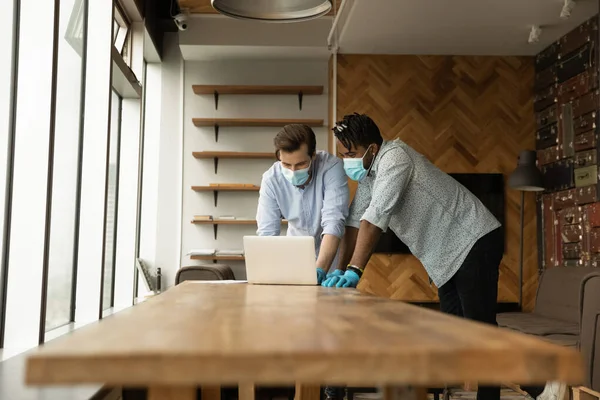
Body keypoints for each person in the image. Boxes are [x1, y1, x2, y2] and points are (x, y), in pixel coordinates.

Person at [323, 113, 503, 400]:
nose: (347, 160)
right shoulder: (372, 174)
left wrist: (355, 271)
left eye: (352, 153)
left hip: (474, 239)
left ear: (371, 148)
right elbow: (354, 223)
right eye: (344, 154)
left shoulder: (395, 158)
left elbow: (374, 219)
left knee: (479, 330)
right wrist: (337, 269)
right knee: (457, 331)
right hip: (446, 256)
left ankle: (537, 387)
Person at [256, 124, 350, 283]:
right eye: (286, 165)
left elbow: (334, 221)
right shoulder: (271, 179)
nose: (293, 171)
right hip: (294, 258)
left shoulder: (332, 167)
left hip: (331, 259)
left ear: (313, 155)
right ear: (279, 156)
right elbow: (267, 233)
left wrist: (319, 269)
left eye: (300, 164)